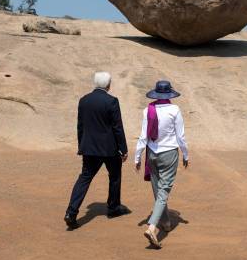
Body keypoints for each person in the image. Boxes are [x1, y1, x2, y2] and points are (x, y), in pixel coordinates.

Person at [64, 71, 129, 229]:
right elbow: (117, 127)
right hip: (109, 149)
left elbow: (80, 125)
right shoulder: (112, 101)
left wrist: (82, 146)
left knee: (84, 178)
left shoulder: (84, 100)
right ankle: (113, 207)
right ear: (108, 85)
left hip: (89, 147)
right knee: (114, 176)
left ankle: (71, 212)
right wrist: (123, 148)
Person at [135, 80, 189, 248]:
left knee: (158, 190)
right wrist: (186, 155)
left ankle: (165, 223)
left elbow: (143, 136)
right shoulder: (174, 110)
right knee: (164, 189)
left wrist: (137, 157)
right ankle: (152, 227)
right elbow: (181, 136)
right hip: (169, 154)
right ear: (169, 94)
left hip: (152, 154)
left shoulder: (147, 110)